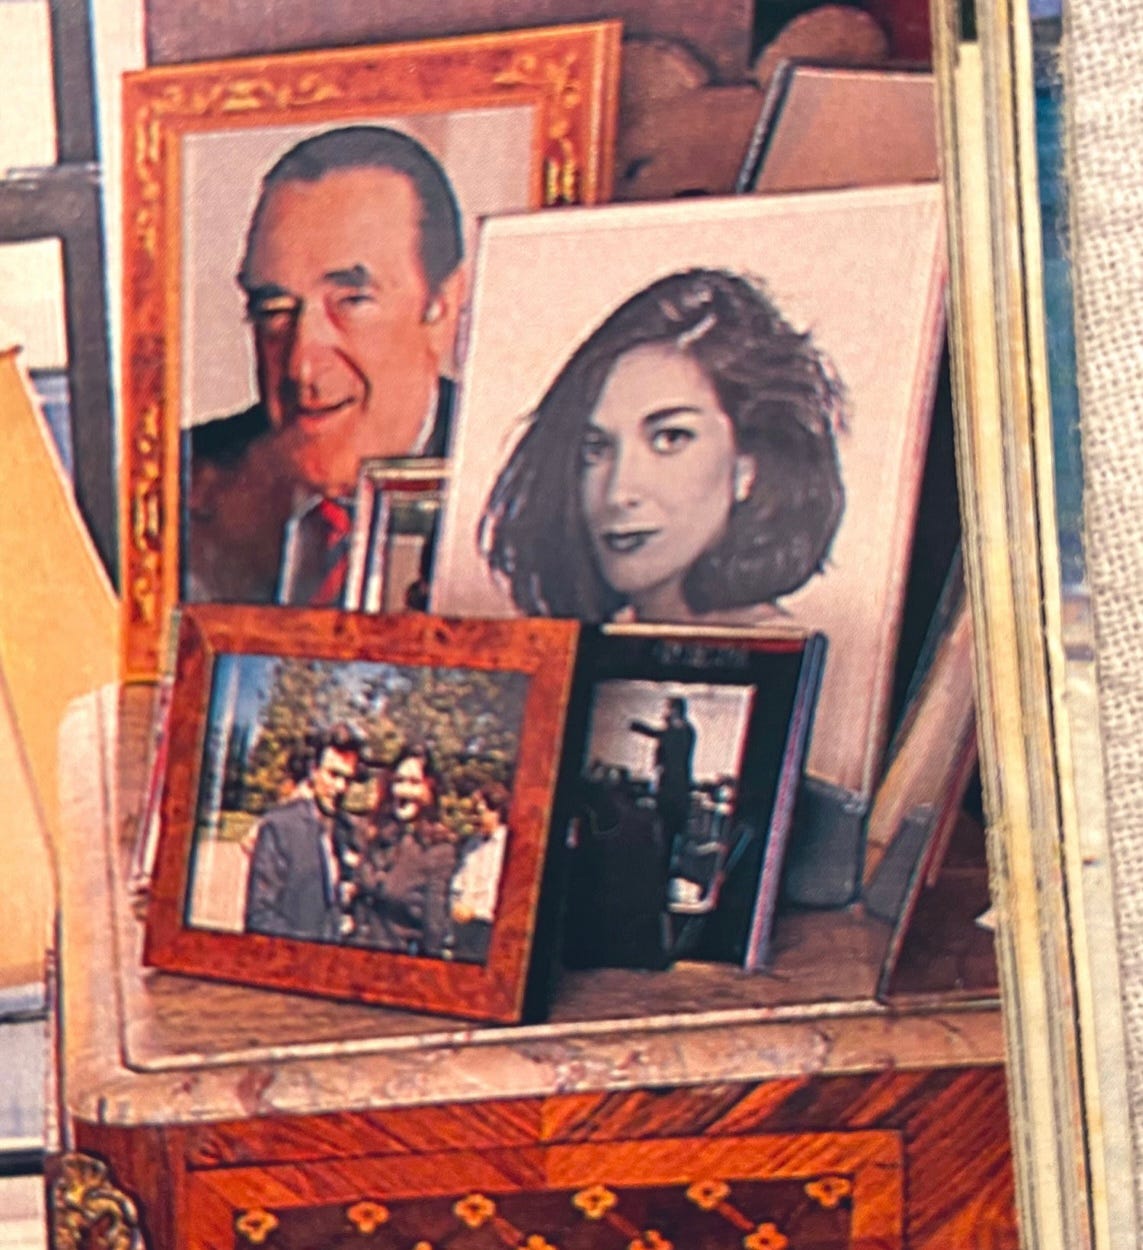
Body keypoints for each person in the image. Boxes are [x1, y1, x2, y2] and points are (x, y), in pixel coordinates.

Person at [188, 125, 466, 604]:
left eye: (351, 301)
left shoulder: (521, 486)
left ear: (441, 307)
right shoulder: (182, 483)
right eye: (274, 309)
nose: (301, 366)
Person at [480, 268, 846, 624]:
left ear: (750, 466)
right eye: (595, 449)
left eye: (670, 439)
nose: (619, 493)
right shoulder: (589, 647)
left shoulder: (785, 655)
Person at [244, 723, 363, 941]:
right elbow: (260, 917)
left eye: (348, 779)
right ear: (314, 771)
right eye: (333, 775)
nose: (340, 787)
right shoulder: (280, 827)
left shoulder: (347, 832)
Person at [350, 744, 457, 957]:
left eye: (414, 783)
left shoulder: (437, 850)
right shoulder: (377, 835)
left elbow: (434, 928)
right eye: (398, 781)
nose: (403, 791)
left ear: (429, 789)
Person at [630, 696, 697, 873]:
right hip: (671, 789)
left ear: (675, 710)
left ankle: (665, 867)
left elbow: (664, 738)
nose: (665, 713)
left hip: (674, 790)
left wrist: (641, 728)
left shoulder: (682, 732)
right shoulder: (680, 731)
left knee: (670, 830)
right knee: (665, 831)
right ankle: (663, 866)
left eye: (669, 709)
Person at [449, 781, 511, 963]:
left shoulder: (506, 846)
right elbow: (459, 880)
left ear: (495, 811)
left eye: (480, 811)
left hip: (487, 928)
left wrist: (476, 911)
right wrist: (456, 905)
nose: (475, 817)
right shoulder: (472, 844)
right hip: (463, 927)